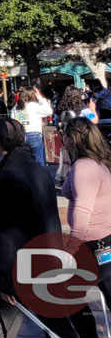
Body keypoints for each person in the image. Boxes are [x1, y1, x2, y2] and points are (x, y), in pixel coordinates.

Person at [0, 118, 91, 338]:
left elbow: (7, 235)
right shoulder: (37, 170)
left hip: (18, 266)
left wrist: (7, 281)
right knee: (55, 323)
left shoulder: (9, 177)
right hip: (43, 258)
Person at [61, 117, 111, 318]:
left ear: (72, 138)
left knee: (68, 296)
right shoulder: (96, 162)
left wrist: (72, 246)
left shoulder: (84, 167)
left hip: (93, 242)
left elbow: (82, 209)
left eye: (64, 135)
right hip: (102, 240)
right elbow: (67, 190)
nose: (61, 138)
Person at [12, 86, 53, 164]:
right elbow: (49, 111)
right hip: (34, 135)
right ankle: (38, 175)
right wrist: (41, 99)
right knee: (38, 162)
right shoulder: (33, 106)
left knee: (23, 162)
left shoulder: (16, 108)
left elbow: (13, 122)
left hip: (20, 136)